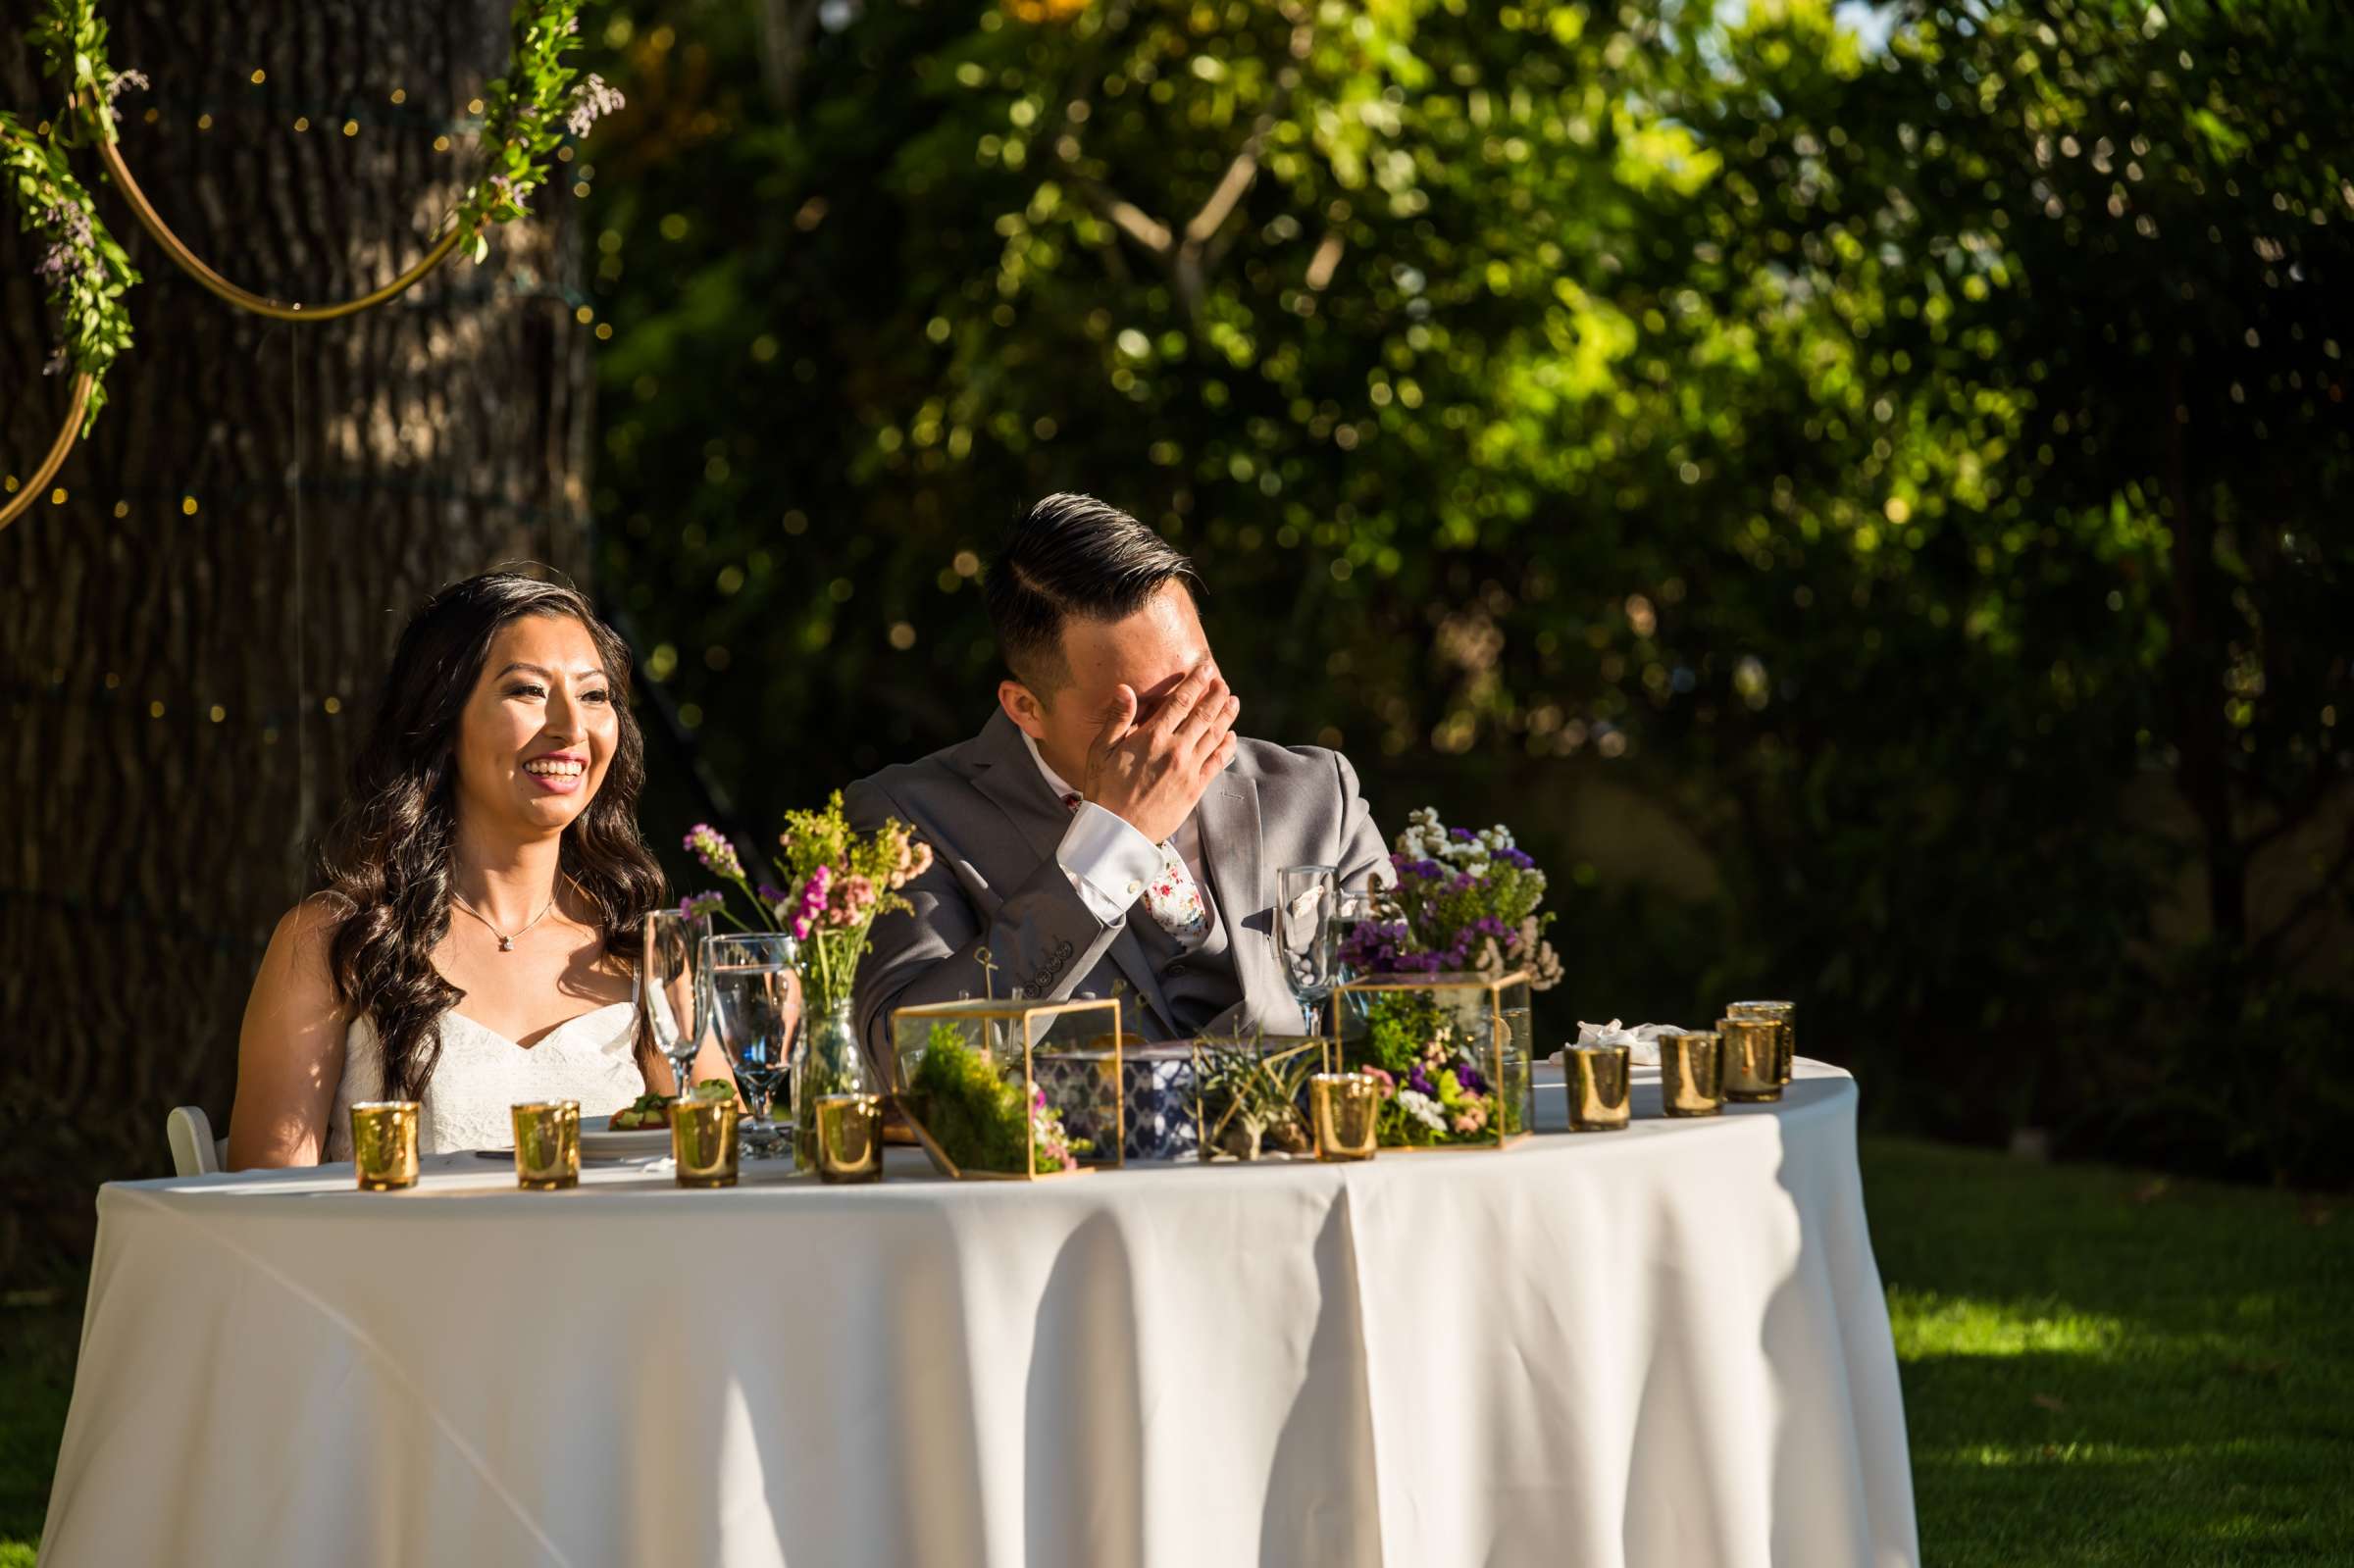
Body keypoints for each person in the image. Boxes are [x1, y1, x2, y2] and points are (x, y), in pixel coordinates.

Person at [846, 494, 1391, 1076]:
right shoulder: (909, 817)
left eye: (1199, 680)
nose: (1188, 724)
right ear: (1026, 708)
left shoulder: (1316, 794)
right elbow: (907, 1062)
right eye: (1148, 709)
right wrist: (1110, 844)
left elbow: (1411, 1021)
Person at [227, 571, 729, 1166]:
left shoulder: (649, 952)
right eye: (528, 691)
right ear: (443, 720)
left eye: (594, 695)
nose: (571, 728)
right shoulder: (332, 944)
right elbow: (267, 1207)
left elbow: (723, 1170)